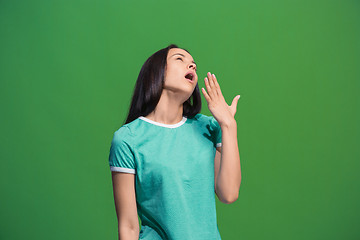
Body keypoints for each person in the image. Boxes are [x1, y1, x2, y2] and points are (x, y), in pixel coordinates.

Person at [109, 44, 241, 240]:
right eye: (180, 59)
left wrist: (228, 125)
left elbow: (228, 194)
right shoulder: (128, 139)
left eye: (194, 64)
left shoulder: (210, 128)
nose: (192, 66)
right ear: (156, 73)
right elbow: (128, 226)